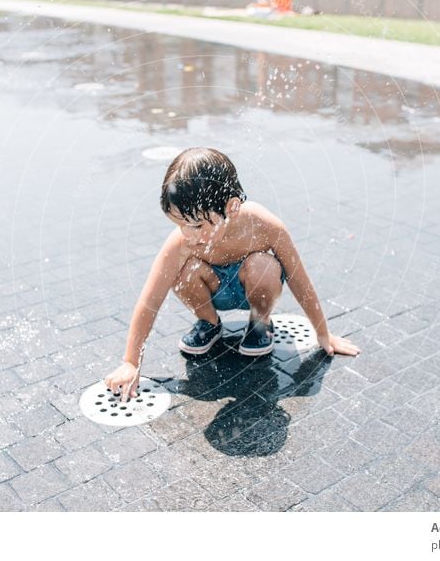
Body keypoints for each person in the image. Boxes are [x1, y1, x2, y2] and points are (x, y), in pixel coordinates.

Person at [103, 147, 360, 401]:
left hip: (256, 288)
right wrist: (130, 361)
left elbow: (299, 279)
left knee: (263, 265)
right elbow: (150, 299)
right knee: (181, 270)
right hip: (212, 291)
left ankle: (260, 323)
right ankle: (209, 323)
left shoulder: (264, 225)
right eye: (180, 225)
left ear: (232, 206)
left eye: (196, 225)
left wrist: (323, 333)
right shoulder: (181, 242)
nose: (188, 235)